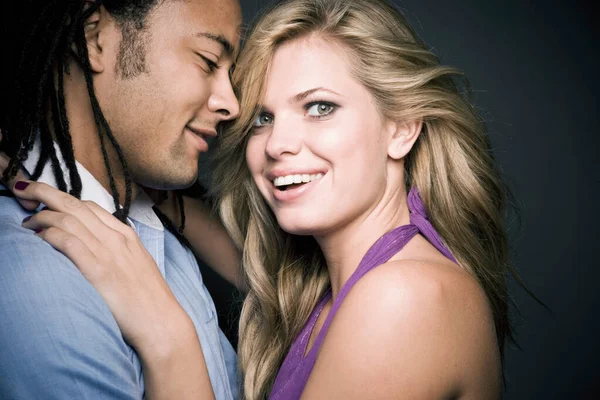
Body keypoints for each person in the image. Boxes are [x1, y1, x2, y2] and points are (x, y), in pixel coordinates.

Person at [7, 0, 516, 398]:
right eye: (263, 119)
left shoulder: (402, 299)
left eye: (320, 107)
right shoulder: (336, 280)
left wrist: (170, 341)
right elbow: (245, 253)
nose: (276, 144)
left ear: (402, 128)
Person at [0, 0, 244, 398]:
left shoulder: (152, 232)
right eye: (207, 60)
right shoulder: (38, 275)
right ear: (95, 39)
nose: (230, 104)